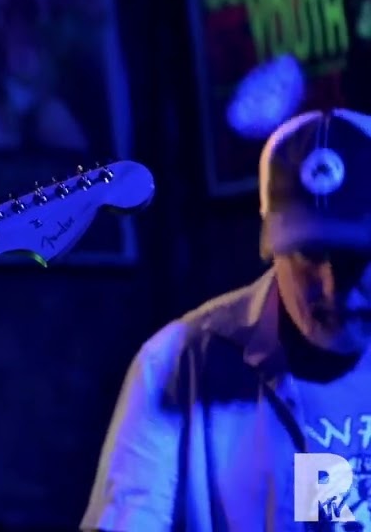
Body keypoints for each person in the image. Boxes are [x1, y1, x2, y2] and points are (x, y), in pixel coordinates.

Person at [81, 108, 371, 531]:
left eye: (356, 257)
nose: (331, 286)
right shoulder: (173, 364)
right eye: (309, 255)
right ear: (273, 245)